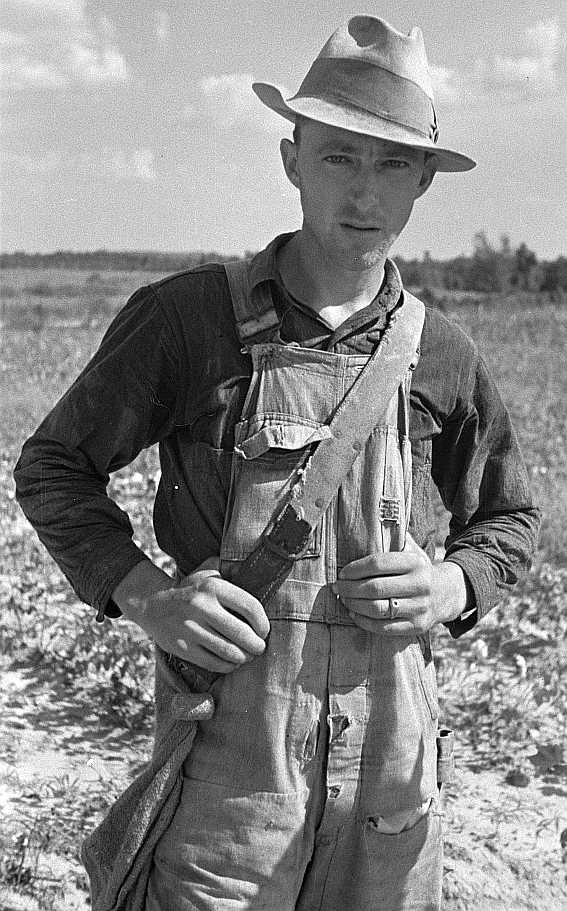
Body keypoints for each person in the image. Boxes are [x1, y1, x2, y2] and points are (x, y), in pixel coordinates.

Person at [14, 14, 540, 911]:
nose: (363, 191)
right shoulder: (185, 319)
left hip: (391, 774)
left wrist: (449, 586)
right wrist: (148, 594)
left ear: (421, 180)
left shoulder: (441, 353)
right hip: (230, 775)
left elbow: (510, 519)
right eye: (339, 156)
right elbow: (53, 464)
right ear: (291, 158)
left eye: (389, 164)